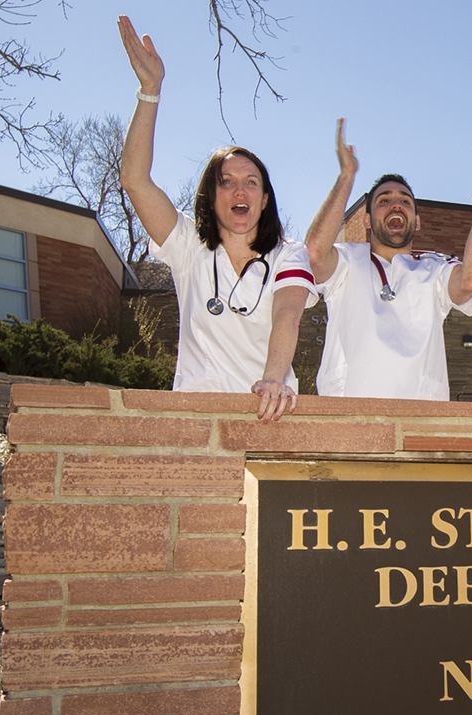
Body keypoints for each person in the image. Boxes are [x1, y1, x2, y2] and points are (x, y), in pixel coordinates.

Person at [117, 16, 316, 422]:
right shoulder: (187, 246)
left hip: (271, 413)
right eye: (226, 182)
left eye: (251, 182)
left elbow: (288, 313)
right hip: (197, 417)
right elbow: (134, 180)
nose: (239, 191)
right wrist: (150, 92)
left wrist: (272, 380)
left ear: (264, 200)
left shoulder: (288, 253)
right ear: (211, 196)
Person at [304, 119, 472, 401]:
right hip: (351, 413)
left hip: (419, 416)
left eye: (405, 201)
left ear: (417, 222)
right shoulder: (346, 260)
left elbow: (470, 280)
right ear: (367, 220)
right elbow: (313, 255)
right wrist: (346, 177)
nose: (396, 204)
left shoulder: (434, 268)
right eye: (383, 200)